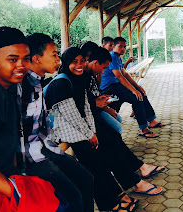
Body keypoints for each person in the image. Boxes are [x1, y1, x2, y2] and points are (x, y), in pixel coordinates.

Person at [44, 47, 164, 212]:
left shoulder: (79, 79)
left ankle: (121, 192)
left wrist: (91, 131)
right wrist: (90, 133)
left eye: (82, 61)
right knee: (97, 162)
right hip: (67, 133)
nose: (79, 65)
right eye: (74, 62)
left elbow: (85, 107)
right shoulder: (61, 82)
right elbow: (72, 116)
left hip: (82, 129)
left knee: (106, 146)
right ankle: (113, 201)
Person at [0, 27, 58, 211]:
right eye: (12, 59)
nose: (21, 65)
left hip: (9, 178)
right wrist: (16, 193)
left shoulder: (10, 89)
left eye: (25, 59)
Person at [22, 33, 94, 212]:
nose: (58, 60)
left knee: (86, 178)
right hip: (30, 157)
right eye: (54, 55)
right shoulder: (22, 86)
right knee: (73, 195)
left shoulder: (38, 82)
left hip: (47, 146)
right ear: (37, 58)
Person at [100, 37, 165, 138]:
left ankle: (151, 120)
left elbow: (125, 74)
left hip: (116, 85)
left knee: (140, 93)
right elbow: (119, 76)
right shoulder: (112, 56)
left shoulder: (118, 57)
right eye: (120, 46)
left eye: (124, 47)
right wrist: (134, 91)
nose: (123, 49)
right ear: (114, 46)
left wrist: (137, 87)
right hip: (109, 87)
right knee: (136, 97)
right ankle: (144, 129)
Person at [85, 46, 123, 134]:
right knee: (118, 129)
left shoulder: (92, 75)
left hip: (96, 108)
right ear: (95, 62)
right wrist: (102, 106)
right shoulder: (82, 76)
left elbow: (95, 93)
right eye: (104, 68)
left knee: (118, 118)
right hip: (91, 111)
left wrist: (102, 99)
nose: (103, 72)